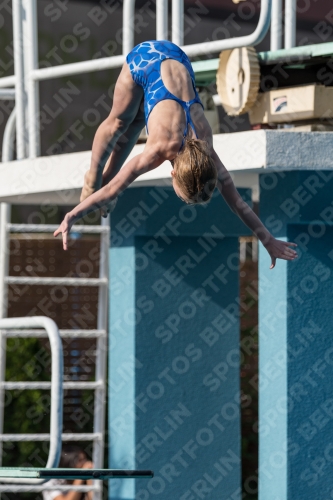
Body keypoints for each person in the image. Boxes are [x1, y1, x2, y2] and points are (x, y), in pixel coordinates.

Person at [54, 40, 297, 269]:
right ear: (173, 174)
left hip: (178, 56)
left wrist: (268, 240)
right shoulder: (159, 149)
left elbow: (238, 203)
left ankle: (104, 177)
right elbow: (113, 189)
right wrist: (72, 216)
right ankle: (94, 175)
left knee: (138, 121)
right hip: (145, 60)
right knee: (118, 122)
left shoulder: (206, 149)